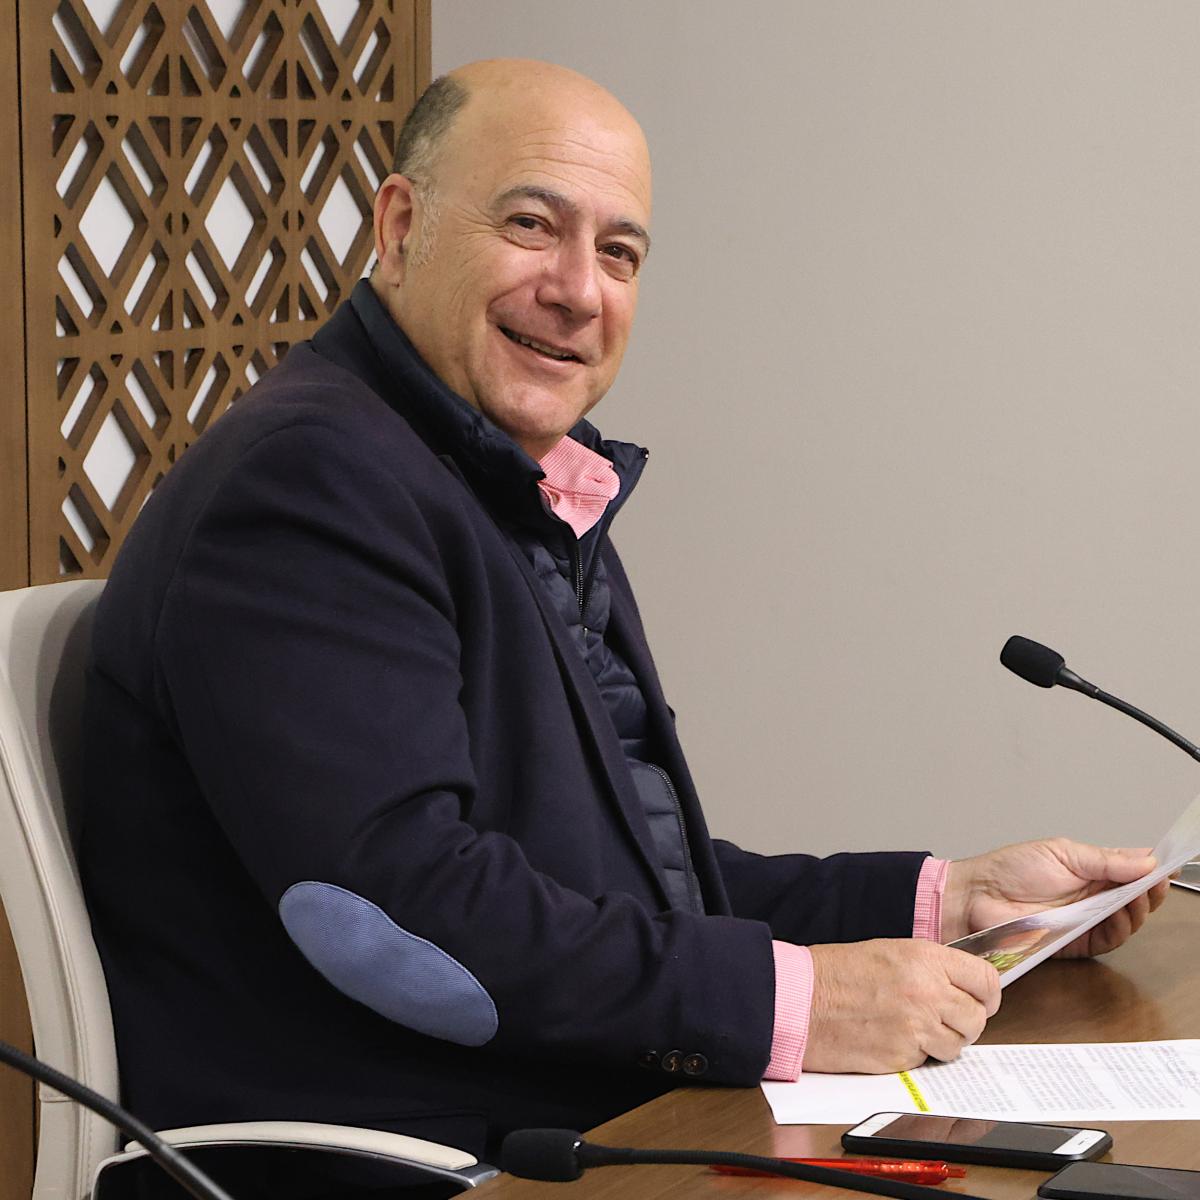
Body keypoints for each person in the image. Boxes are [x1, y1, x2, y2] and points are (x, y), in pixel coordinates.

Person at [80, 59, 1168, 1161]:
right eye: (531, 225)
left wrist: (947, 903)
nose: (578, 290)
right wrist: (797, 1000)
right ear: (401, 227)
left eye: (619, 253)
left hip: (565, 1122)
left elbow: (627, 888)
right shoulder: (313, 482)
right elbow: (397, 916)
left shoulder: (501, 477)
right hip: (407, 1161)